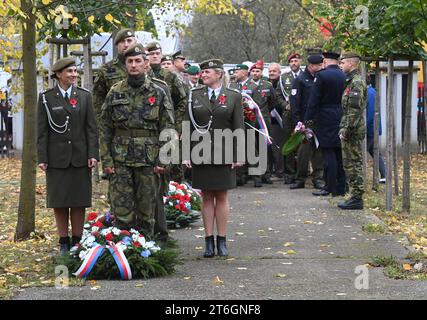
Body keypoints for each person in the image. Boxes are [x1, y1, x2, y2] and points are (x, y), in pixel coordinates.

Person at [99, 43, 175, 238]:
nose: (133, 65)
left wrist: (164, 160)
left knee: (146, 211)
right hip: (120, 160)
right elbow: (105, 128)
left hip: (148, 161)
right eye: (130, 61)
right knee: (121, 210)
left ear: (146, 63)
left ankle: (145, 252)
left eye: (137, 61)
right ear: (125, 65)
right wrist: (106, 160)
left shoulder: (158, 92)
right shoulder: (115, 92)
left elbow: (168, 128)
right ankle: (125, 253)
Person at [37, 57, 99, 255]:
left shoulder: (84, 96)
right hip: (57, 159)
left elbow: (91, 129)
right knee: (60, 201)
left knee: (79, 201)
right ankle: (63, 242)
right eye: (69, 72)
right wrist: (42, 157)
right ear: (58, 74)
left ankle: (78, 241)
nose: (73, 75)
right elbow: (42, 131)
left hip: (80, 157)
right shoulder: (46, 98)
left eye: (75, 71)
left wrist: (93, 154)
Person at [183, 59, 245, 257]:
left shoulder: (233, 96)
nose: (203, 74)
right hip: (200, 152)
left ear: (219, 74)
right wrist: (186, 154)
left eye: (207, 71)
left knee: (222, 196)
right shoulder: (194, 95)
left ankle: (222, 240)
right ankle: (209, 241)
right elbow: (187, 126)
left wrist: (239, 154)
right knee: (206, 196)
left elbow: (238, 128)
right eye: (202, 72)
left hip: (224, 152)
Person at [305, 51, 347, 197]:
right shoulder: (344, 75)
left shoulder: (321, 76)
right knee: (338, 153)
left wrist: (308, 119)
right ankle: (341, 186)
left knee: (328, 152)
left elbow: (314, 99)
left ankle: (330, 186)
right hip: (341, 114)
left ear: (325, 61)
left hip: (325, 116)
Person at [289, 54, 324, 190]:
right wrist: (298, 122)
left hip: (319, 120)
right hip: (305, 121)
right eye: (319, 65)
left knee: (318, 150)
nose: (321, 67)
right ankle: (300, 178)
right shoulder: (300, 80)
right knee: (304, 151)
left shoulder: (321, 78)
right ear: (311, 66)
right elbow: (295, 102)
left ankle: (318, 178)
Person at [338, 52, 367, 210]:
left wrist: (346, 129)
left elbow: (354, 110)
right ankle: (354, 195)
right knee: (348, 163)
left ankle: (357, 197)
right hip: (349, 127)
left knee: (353, 163)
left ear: (351, 64)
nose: (341, 65)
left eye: (343, 63)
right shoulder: (350, 81)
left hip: (353, 130)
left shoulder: (356, 82)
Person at [93, 28, 136, 120]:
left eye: (129, 40)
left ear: (135, 42)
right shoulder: (105, 70)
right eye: (122, 42)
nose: (126, 44)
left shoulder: (144, 67)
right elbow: (97, 102)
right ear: (116, 45)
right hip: (116, 125)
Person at [250, 60, 281, 187]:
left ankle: (266, 174)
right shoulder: (246, 86)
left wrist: (265, 112)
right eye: (253, 71)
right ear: (250, 72)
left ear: (262, 72)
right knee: (253, 148)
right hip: (250, 120)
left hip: (264, 121)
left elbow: (273, 102)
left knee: (265, 147)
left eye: (258, 71)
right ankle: (256, 176)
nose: (255, 73)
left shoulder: (267, 85)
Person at [280, 53, 303, 184]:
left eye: (295, 61)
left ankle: (301, 172)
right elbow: (277, 95)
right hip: (288, 114)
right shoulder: (284, 78)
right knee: (288, 142)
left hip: (302, 113)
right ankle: (289, 173)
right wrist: (285, 105)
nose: (293, 63)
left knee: (302, 143)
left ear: (300, 62)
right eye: (291, 61)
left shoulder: (305, 76)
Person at [268, 63, 287, 179]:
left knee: (278, 147)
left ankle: (280, 171)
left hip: (280, 118)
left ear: (280, 72)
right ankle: (269, 170)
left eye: (274, 71)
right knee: (268, 147)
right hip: (267, 119)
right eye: (270, 71)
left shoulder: (283, 83)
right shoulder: (265, 84)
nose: (272, 73)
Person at [365, 77, 386, 183]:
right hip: (373, 128)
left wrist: (365, 128)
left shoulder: (369, 93)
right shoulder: (372, 91)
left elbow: (370, 114)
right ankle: (384, 175)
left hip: (370, 129)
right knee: (375, 151)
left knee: (362, 152)